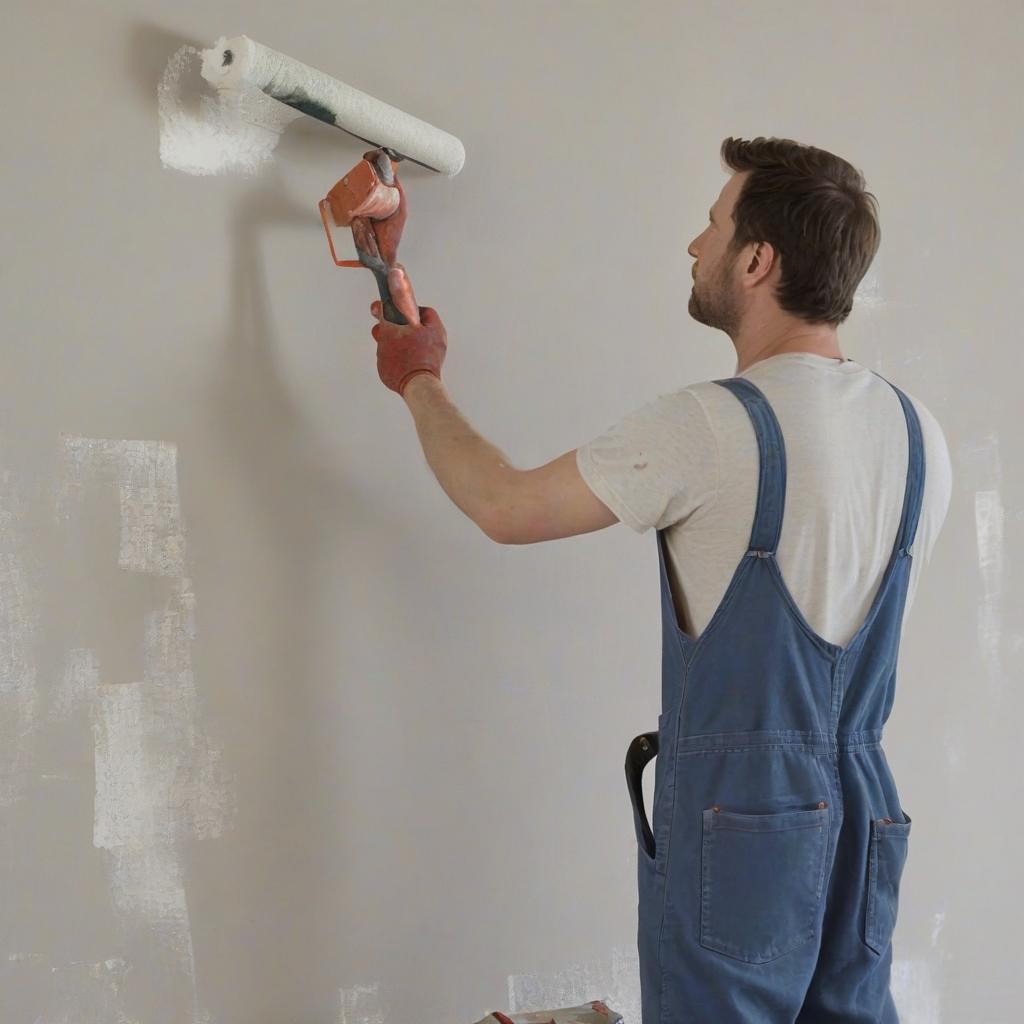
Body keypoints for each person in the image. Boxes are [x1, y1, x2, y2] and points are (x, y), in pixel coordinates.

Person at [369, 136, 951, 1021]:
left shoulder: (709, 427)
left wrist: (420, 380)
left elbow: (502, 505)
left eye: (712, 225)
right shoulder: (919, 437)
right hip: (865, 813)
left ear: (757, 260)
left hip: (744, 821)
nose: (694, 244)